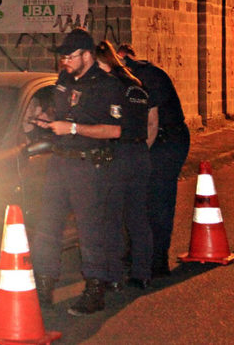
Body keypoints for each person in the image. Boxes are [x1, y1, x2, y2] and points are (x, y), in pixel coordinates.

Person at [31, 28, 124, 316]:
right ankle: (43, 286)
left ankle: (95, 290)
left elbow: (114, 130)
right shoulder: (64, 80)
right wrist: (46, 119)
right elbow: (61, 113)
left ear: (87, 55)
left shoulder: (107, 85)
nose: (65, 62)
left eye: (70, 56)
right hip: (59, 162)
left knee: (90, 230)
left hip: (88, 165)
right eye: (62, 57)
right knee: (47, 226)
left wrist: (73, 128)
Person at [117, 43, 190, 277]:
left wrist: (139, 155)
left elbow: (152, 123)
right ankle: (141, 253)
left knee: (159, 200)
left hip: (168, 141)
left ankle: (158, 260)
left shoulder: (149, 77)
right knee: (140, 200)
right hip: (153, 140)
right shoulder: (129, 78)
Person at [94, 41, 152, 290]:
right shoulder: (137, 85)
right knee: (137, 217)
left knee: (112, 219)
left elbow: (108, 124)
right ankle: (142, 273)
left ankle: (114, 276)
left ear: (103, 63)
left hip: (118, 154)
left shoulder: (111, 86)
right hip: (139, 154)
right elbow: (150, 121)